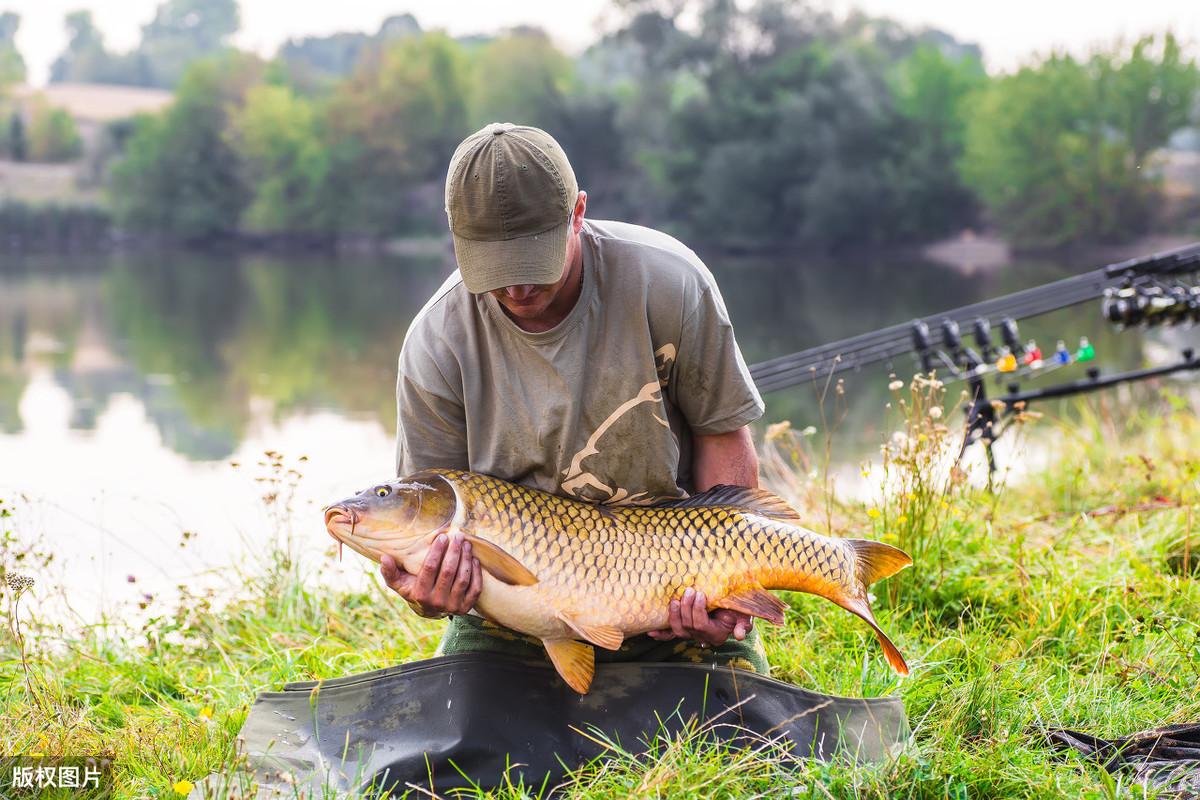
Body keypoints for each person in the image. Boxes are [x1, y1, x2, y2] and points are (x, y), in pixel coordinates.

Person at [385, 122, 769, 673]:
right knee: (458, 746)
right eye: (496, 268)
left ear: (578, 213)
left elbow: (723, 438)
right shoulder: (436, 342)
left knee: (743, 735)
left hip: (674, 591)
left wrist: (729, 585)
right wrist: (426, 592)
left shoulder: (670, 282)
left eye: (535, 262)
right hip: (512, 618)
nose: (516, 289)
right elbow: (430, 514)